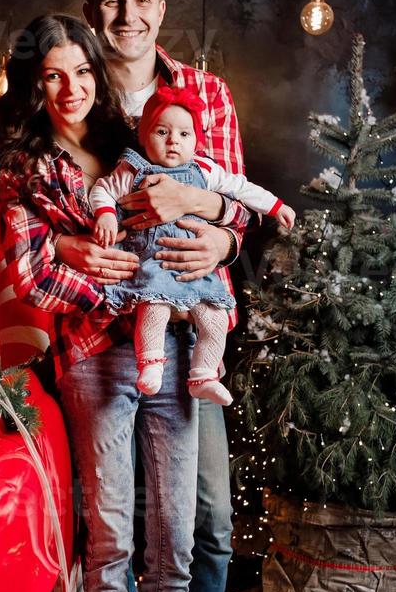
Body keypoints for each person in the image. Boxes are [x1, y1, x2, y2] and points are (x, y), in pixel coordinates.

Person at [0, 13, 200, 592]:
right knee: (110, 537)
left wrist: (172, 255)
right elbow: (28, 273)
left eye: (79, 72)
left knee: (174, 539)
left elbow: (196, 197)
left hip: (168, 340)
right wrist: (84, 266)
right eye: (51, 76)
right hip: (92, 354)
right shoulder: (21, 165)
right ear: (32, 86)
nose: (69, 89)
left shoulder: (130, 141)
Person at [72, 0, 253, 592]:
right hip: (101, 328)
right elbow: (41, 200)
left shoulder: (205, 94)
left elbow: (237, 205)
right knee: (112, 519)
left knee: (206, 511)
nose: (129, 16)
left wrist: (220, 229)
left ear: (163, 10)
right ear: (92, 14)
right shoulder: (76, 97)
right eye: (112, 2)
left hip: (191, 325)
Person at [90, 85, 295, 406]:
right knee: (153, 310)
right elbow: (102, 190)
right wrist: (105, 215)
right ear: (144, 136)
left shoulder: (205, 169)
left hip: (196, 272)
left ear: (196, 140)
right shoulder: (132, 170)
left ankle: (203, 374)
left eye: (185, 134)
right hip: (154, 266)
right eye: (162, 131)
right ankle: (151, 366)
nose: (174, 140)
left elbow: (241, 188)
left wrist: (275, 206)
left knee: (215, 320)